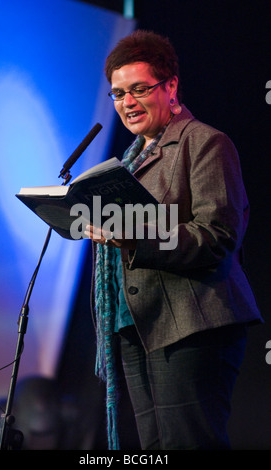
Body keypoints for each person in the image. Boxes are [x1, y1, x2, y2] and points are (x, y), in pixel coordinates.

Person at [84, 30, 262, 450]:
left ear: (171, 86)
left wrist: (132, 236)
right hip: (135, 326)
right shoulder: (128, 161)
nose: (127, 102)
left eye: (139, 89)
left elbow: (215, 238)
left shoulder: (205, 143)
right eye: (117, 93)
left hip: (191, 326)